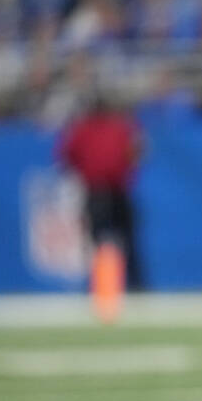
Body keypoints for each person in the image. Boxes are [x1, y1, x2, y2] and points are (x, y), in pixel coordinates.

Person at [56, 93, 144, 291]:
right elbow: (137, 152)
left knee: (99, 243)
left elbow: (66, 158)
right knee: (126, 242)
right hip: (115, 190)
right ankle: (133, 287)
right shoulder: (120, 128)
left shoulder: (82, 129)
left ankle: (102, 288)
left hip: (99, 192)